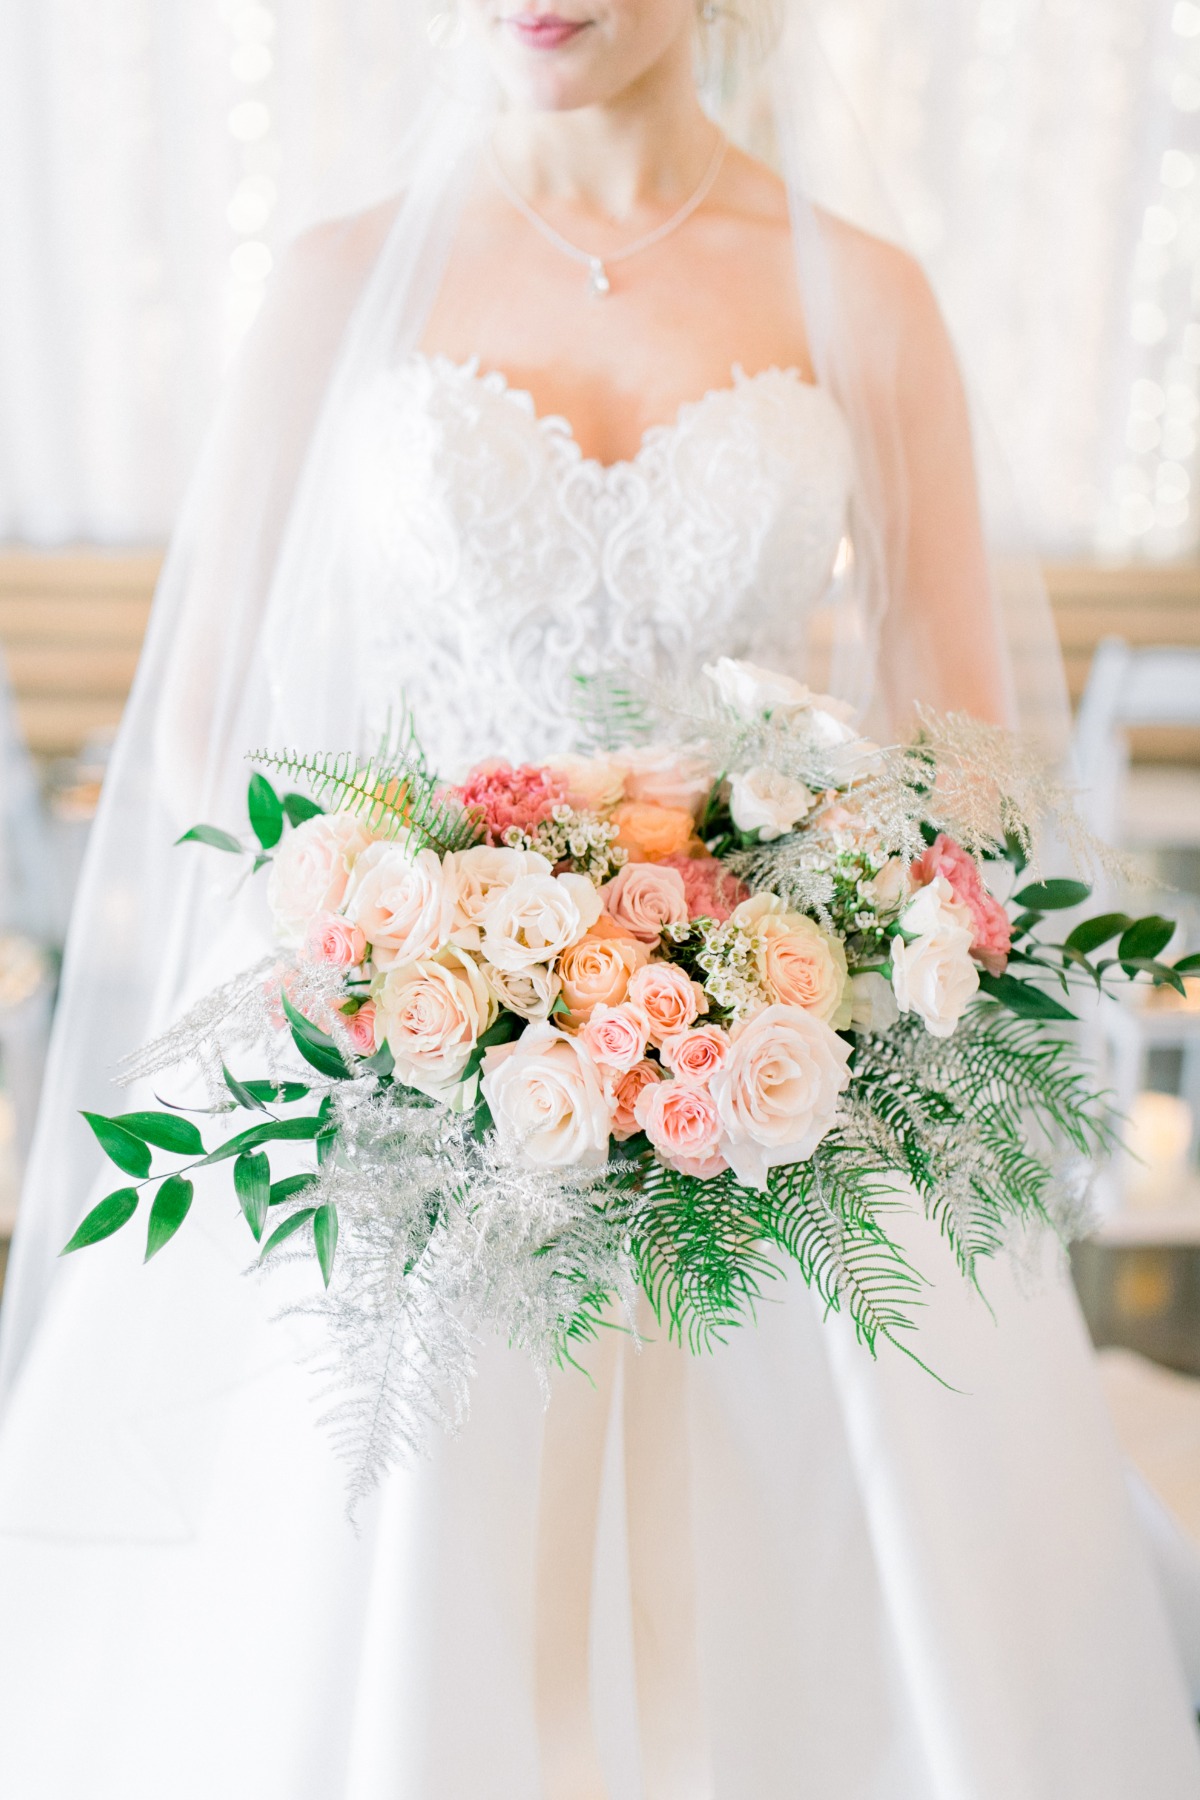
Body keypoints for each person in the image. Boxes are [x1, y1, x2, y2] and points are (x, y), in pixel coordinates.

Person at [0, 3, 1197, 1795]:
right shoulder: (338, 282)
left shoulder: (862, 292)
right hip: (409, 1066)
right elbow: (198, 734)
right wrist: (394, 938)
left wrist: (819, 944)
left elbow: (970, 756)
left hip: (776, 1073)